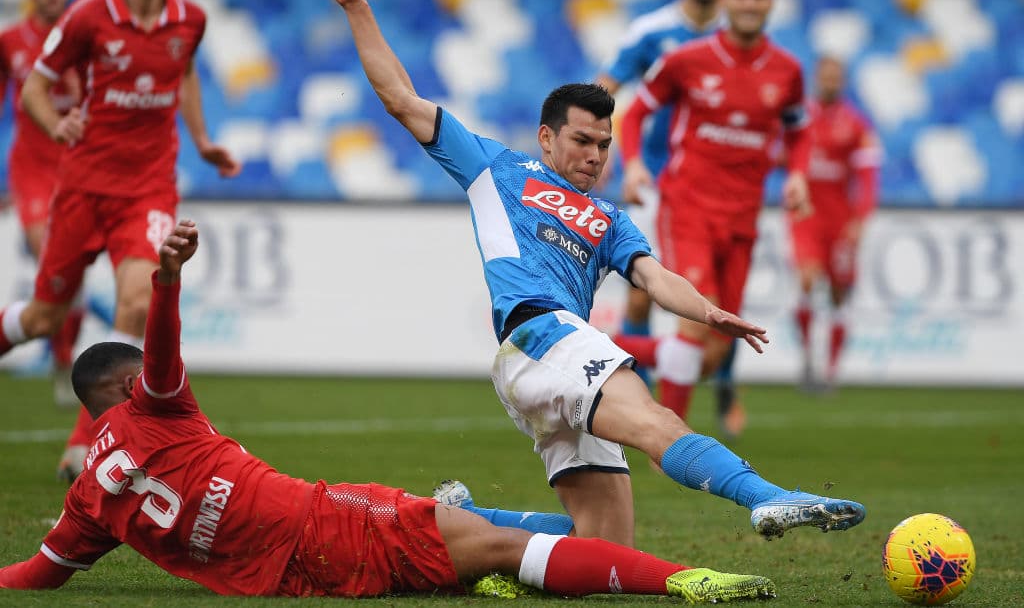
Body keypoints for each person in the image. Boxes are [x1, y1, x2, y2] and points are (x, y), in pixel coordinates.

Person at [316, 0, 864, 549]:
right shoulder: (496, 167)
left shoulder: (610, 218)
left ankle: (445, 516)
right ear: (547, 137)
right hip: (542, 335)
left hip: (552, 358)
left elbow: (654, 277)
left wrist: (705, 310)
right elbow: (400, 97)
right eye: (582, 141)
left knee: (604, 543)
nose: (595, 156)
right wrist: (356, 4)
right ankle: (769, 499)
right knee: (657, 422)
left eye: (604, 145)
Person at [0, 220, 777, 603]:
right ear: (123, 389)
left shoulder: (89, 501)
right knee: (502, 547)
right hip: (321, 522)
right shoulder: (156, 406)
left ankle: (475, 558)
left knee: (476, 546)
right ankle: (682, 580)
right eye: (140, 379)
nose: (156, 382)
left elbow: (39, 574)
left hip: (288, 577)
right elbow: (163, 346)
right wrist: (167, 278)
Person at [0, 0, 240, 479]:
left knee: (136, 300)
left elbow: (185, 73)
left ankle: (87, 441)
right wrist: (56, 125)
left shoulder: (191, 18)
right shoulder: (89, 15)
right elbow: (35, 86)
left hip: (149, 188)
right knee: (42, 317)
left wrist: (203, 141)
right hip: (83, 187)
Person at [614, 0, 814, 425]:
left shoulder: (786, 71)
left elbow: (799, 130)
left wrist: (799, 174)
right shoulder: (686, 60)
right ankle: (670, 442)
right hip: (688, 208)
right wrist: (636, 164)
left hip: (743, 218)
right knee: (694, 320)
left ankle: (597, 343)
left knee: (712, 351)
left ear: (770, 2)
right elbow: (638, 111)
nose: (748, 3)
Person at [595, 0, 744, 438]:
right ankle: (633, 397)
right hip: (658, 183)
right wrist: (604, 144)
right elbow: (605, 88)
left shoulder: (736, 36)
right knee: (643, 291)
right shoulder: (651, 32)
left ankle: (716, 387)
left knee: (715, 318)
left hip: (719, 191)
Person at [0, 0, 101, 481]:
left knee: (68, 281)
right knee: (50, 261)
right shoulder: (10, 41)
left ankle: (63, 360)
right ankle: (62, 360)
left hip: (78, 168)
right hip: (34, 172)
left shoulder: (87, 35)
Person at [790, 57, 881, 390]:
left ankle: (830, 371)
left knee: (839, 294)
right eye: (825, 76)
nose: (830, 82)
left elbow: (868, 177)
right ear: (817, 78)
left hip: (840, 222)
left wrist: (860, 218)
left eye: (835, 77)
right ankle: (807, 360)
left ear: (842, 81)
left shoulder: (857, 125)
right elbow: (778, 156)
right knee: (808, 279)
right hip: (806, 217)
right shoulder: (800, 118)